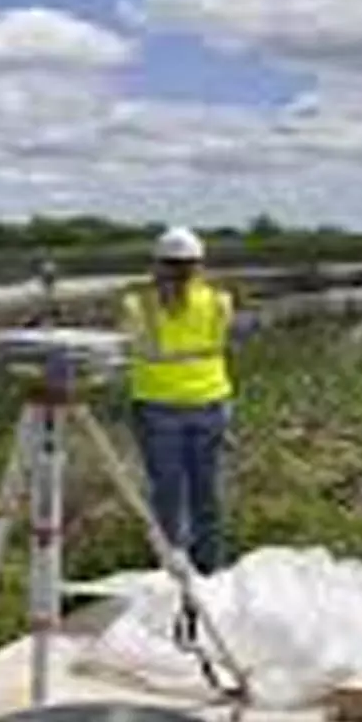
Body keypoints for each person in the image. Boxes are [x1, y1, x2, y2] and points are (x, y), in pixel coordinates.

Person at [119, 226, 236, 594]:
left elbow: (126, 344)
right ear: (199, 266)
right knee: (207, 493)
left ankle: (172, 574)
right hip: (210, 404)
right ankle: (210, 572)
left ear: (156, 265)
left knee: (168, 493)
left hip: (159, 407)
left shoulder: (137, 306)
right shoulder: (221, 302)